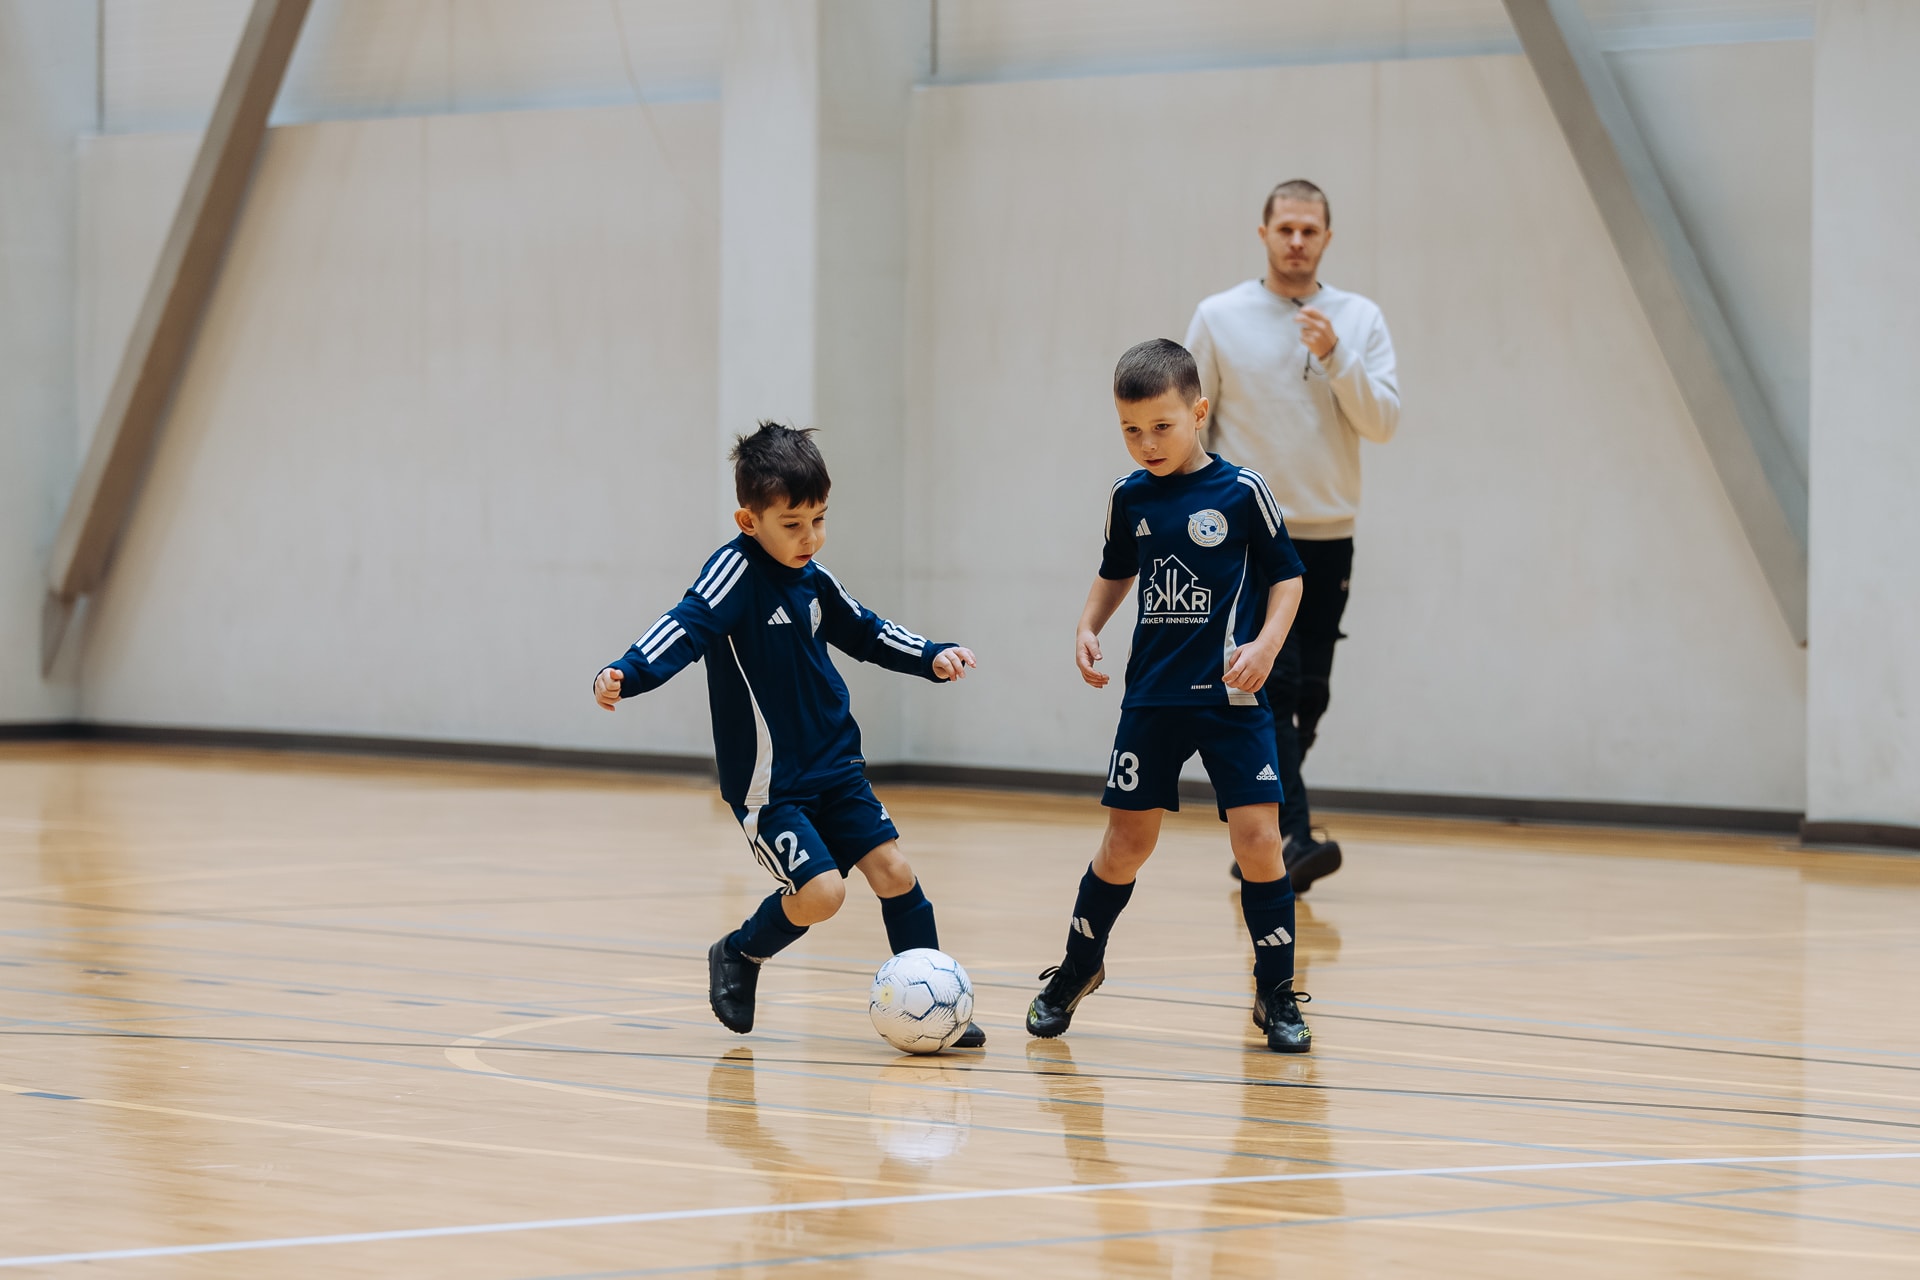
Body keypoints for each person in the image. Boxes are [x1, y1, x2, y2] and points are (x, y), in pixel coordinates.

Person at [593, 422, 986, 1046]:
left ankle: (936, 1004)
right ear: (749, 521)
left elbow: (865, 630)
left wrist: (930, 655)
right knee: (824, 894)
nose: (811, 537)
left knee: (895, 873)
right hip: (772, 788)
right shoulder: (733, 574)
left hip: (837, 767)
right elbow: (684, 625)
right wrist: (627, 672)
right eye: (793, 524)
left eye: (819, 519)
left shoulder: (814, 577)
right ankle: (741, 950)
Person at [1025, 339, 1312, 1053]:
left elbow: (1288, 578)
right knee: (1126, 844)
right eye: (1131, 429)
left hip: (1232, 698)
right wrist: (1088, 626)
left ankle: (1276, 992)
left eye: (1161, 426)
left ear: (1199, 413)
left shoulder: (1243, 491)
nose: (1146, 443)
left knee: (1260, 841)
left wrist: (1266, 646)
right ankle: (1079, 967)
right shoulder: (1129, 497)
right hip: (1152, 697)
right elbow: (1115, 569)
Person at [1186, 178, 1400, 893]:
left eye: (1310, 230)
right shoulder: (1219, 316)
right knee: (1270, 688)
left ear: (1327, 238)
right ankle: (1295, 839)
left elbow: (1382, 423)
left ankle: (1262, 832)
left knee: (1310, 696)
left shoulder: (1359, 318)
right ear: (1264, 234)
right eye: (1286, 229)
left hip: (1329, 534)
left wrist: (1338, 356)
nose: (1298, 242)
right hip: (1251, 540)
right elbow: (1190, 422)